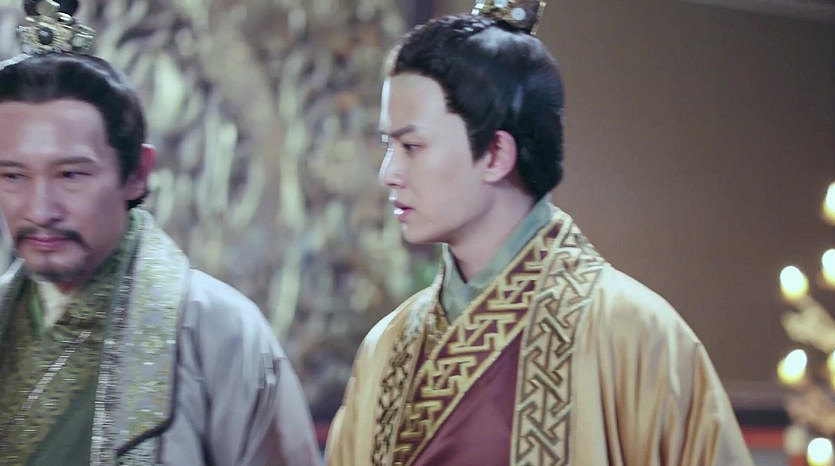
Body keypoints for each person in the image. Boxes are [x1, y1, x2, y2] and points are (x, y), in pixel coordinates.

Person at [326, 1, 755, 465]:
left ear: (495, 153)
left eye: (411, 146)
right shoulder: (387, 347)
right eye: (387, 145)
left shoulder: (636, 335)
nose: (388, 173)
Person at [0, 1, 322, 464]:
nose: (40, 210)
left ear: (137, 173)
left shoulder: (221, 331)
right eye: (13, 176)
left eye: (70, 175)